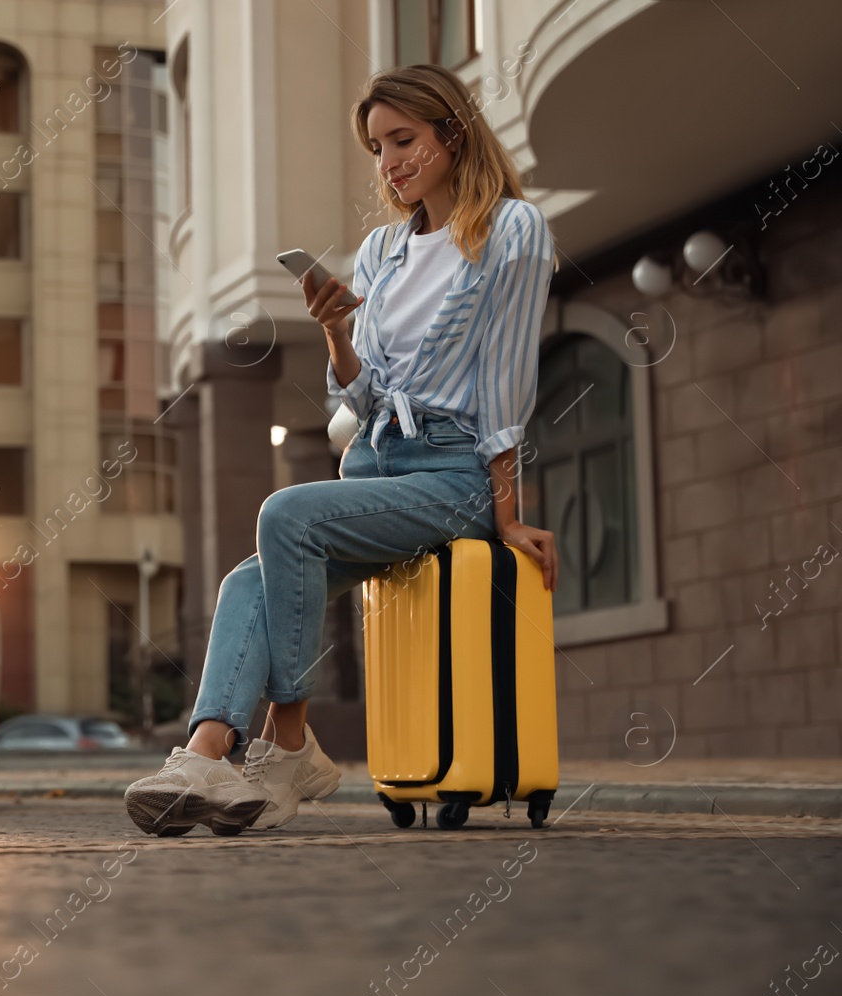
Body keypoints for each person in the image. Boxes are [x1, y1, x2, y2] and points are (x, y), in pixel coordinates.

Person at [125, 64, 561, 837]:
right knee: (245, 581)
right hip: (374, 466)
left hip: (450, 475)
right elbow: (359, 399)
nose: (388, 161)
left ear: (451, 134)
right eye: (375, 146)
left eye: (403, 139)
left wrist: (506, 514)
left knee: (286, 513)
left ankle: (289, 740)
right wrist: (333, 328)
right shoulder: (382, 252)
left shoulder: (512, 231)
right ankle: (204, 752)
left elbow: (505, 383)